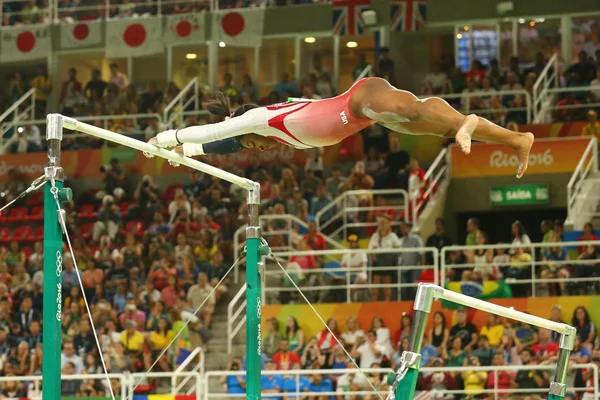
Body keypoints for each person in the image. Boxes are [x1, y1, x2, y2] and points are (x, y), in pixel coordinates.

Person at [148, 77, 534, 179]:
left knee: (418, 113)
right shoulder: (262, 136)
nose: (257, 148)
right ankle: (517, 139)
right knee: (434, 131)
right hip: (367, 118)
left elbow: (216, 135)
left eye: (251, 144)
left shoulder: (260, 119)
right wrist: (183, 155)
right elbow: (225, 148)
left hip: (360, 98)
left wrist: (165, 139)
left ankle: (464, 124)